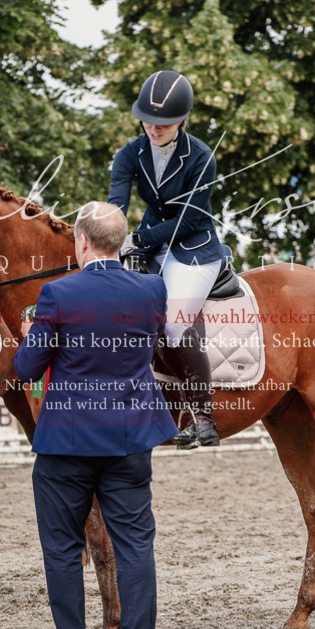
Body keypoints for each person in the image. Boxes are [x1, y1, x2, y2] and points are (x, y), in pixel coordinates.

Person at [13, 201, 177, 629]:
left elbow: (25, 369)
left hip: (66, 439)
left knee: (62, 549)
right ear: (121, 243)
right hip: (129, 437)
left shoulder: (57, 293)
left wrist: (31, 336)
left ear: (81, 242)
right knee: (136, 547)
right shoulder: (152, 288)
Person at [108, 69, 222, 448]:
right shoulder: (130, 153)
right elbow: (116, 205)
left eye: (164, 123)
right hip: (152, 247)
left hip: (194, 248)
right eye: (148, 120)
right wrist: (107, 238)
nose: (153, 128)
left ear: (182, 120)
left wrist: (138, 237)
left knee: (173, 325)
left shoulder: (202, 157)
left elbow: (188, 219)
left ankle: (204, 419)